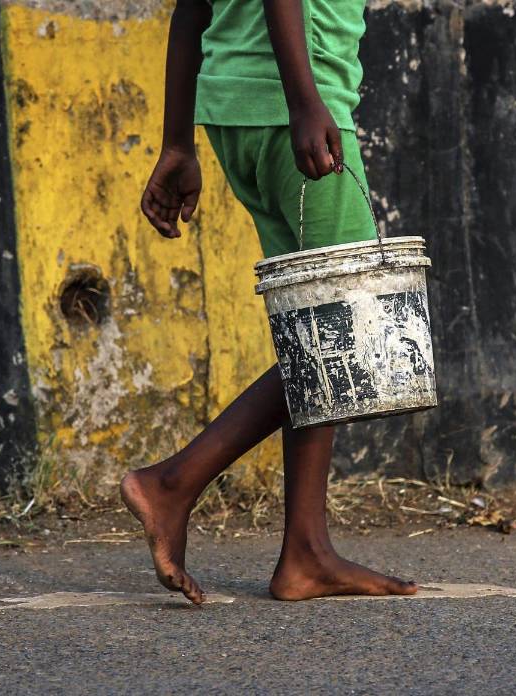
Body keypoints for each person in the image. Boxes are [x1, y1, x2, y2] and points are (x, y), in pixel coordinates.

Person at [121, 0, 418, 604]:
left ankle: (305, 552)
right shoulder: (301, 105)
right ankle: (172, 484)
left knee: (315, 330)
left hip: (240, 115)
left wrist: (177, 142)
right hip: (294, 109)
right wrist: (305, 103)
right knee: (353, 333)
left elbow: (192, 8)